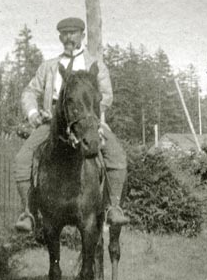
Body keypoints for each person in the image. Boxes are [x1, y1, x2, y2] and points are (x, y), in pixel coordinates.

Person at [13, 16, 130, 232]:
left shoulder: (95, 65)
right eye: (64, 34)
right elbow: (30, 91)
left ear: (82, 35)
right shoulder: (49, 67)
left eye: (73, 33)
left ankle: (113, 208)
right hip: (54, 122)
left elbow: (106, 96)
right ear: (60, 38)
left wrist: (89, 115)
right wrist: (33, 113)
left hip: (88, 121)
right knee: (22, 158)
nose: (69, 38)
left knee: (116, 156)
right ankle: (28, 213)